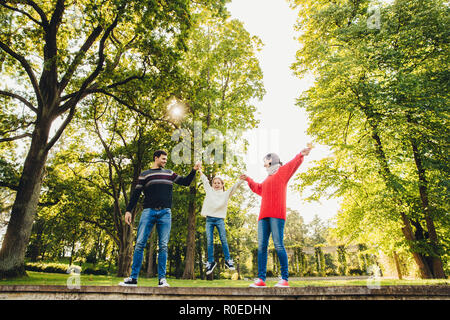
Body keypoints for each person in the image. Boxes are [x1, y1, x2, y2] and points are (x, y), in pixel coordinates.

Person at [119, 150, 200, 287]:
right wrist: (128, 210)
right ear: (156, 158)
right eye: (163, 159)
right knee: (139, 244)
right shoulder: (145, 174)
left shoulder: (169, 173)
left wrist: (194, 170)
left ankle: (162, 279)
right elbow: (136, 194)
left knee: (163, 245)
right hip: (148, 212)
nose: (165, 161)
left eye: (165, 159)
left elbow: (185, 182)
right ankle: (133, 279)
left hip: (165, 213)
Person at [240, 145, 311, 288]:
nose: (263, 162)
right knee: (261, 247)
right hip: (263, 217)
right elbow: (258, 188)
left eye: (265, 160)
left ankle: (284, 279)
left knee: (278, 245)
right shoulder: (267, 179)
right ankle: (261, 280)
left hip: (277, 215)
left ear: (271, 160)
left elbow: (293, 164)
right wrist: (248, 179)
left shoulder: (282, 173)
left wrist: (300, 154)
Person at [198, 169, 243, 275]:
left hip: (219, 219)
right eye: (214, 183)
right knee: (209, 241)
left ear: (222, 185)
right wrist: (200, 170)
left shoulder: (226, 194)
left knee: (223, 239)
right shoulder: (209, 191)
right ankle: (211, 262)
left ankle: (228, 260)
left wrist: (240, 180)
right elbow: (204, 180)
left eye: (219, 183)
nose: (216, 184)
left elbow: (234, 187)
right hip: (209, 219)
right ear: (212, 184)